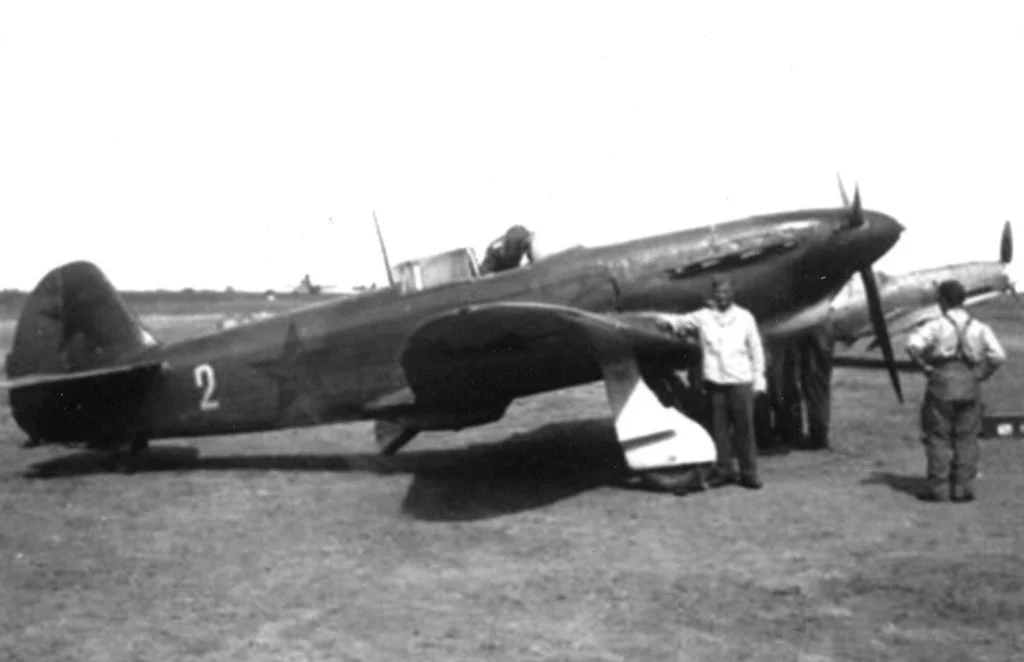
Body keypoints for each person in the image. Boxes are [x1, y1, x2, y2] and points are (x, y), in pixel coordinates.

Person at [657, 276, 767, 489]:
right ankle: (724, 470)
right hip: (716, 383)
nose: (722, 297)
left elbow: (756, 350)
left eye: (726, 292)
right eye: (718, 293)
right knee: (720, 430)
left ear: (732, 294)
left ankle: (748, 472)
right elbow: (678, 321)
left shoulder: (745, 318)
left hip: (740, 382)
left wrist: (759, 380)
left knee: (744, 429)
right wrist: (657, 319)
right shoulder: (704, 317)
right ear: (713, 296)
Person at [906, 279, 1006, 503]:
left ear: (942, 301)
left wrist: (925, 367)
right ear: (963, 300)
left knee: (938, 437)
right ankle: (963, 489)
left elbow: (912, 345)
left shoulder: (936, 325)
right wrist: (981, 374)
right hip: (970, 383)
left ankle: (938, 489)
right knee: (967, 437)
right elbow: (999, 355)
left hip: (941, 383)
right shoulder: (980, 327)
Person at [763, 317, 835, 451]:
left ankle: (801, 434)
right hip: (815, 326)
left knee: (790, 381)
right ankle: (812, 434)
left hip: (803, 324)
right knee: (810, 385)